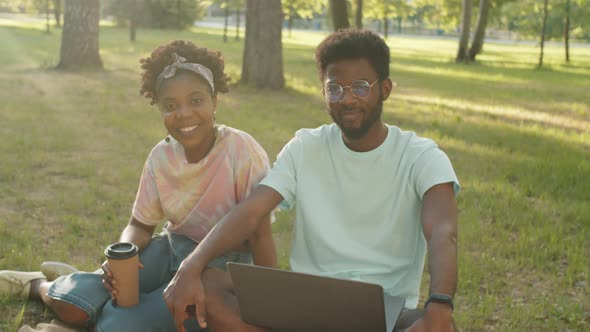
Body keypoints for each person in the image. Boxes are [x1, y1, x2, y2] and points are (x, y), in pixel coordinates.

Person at [163, 29, 461, 332]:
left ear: (384, 89)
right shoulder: (306, 147)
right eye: (334, 89)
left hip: (385, 313)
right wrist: (191, 265)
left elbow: (443, 231)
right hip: (305, 307)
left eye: (360, 87)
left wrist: (439, 306)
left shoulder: (421, 156)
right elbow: (252, 211)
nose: (346, 100)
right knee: (209, 282)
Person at [0, 40, 276, 332]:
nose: (183, 113)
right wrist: (125, 254)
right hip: (169, 251)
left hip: (219, 268)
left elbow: (259, 234)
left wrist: (267, 301)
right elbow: (141, 225)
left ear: (214, 101)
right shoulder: (161, 156)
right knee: (74, 304)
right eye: (170, 105)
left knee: (123, 326)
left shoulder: (241, 150)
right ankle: (38, 285)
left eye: (196, 100)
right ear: (159, 108)